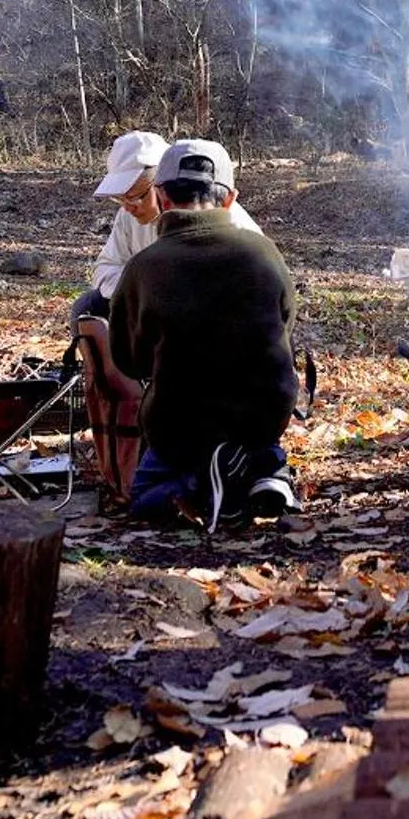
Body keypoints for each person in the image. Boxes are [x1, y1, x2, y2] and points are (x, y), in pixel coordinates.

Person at [108, 140, 299, 528]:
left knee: (142, 500)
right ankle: (264, 469)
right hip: (261, 421)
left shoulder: (144, 268)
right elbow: (284, 326)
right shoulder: (265, 253)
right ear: (230, 200)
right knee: (256, 427)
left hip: (180, 427)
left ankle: (202, 484)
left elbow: (130, 359)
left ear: (160, 197)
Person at [71, 130, 262, 327]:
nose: (128, 207)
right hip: (148, 306)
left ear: (161, 186)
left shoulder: (231, 224)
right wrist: (142, 288)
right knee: (87, 307)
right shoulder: (128, 215)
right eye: (120, 197)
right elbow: (104, 268)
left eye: (136, 196)